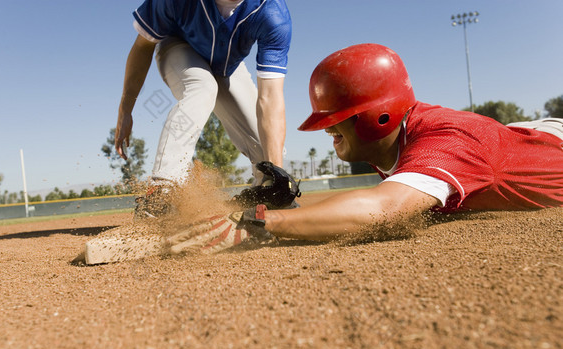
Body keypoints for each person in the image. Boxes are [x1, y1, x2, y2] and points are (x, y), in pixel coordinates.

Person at [164, 43, 563, 254]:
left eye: (335, 120)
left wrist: (253, 224)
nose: (326, 131)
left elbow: (381, 208)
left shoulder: (445, 142)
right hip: (517, 137)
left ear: (380, 117)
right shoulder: (397, 141)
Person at [115, 0, 292, 218]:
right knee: (202, 87)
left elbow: (270, 97)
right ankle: (161, 192)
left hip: (227, 66)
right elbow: (143, 46)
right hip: (178, 47)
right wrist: (125, 109)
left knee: (269, 152)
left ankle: (262, 199)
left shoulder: (271, 12)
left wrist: (277, 176)